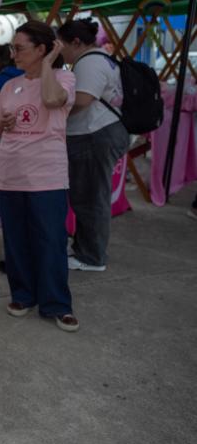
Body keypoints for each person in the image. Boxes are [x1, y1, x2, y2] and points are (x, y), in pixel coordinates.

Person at [0, 21, 79, 332]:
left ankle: (57, 303)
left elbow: (53, 101)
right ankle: (23, 295)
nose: (14, 54)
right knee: (16, 241)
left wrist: (52, 62)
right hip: (10, 175)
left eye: (20, 48)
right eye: (13, 48)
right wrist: (3, 125)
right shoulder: (8, 86)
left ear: (42, 49)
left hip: (47, 177)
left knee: (51, 241)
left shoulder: (63, 78)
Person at [57, 18, 130, 272]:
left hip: (94, 134)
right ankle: (85, 248)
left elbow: (84, 99)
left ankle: (91, 256)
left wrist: (54, 105)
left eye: (62, 44)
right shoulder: (101, 58)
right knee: (88, 196)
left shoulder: (90, 62)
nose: (60, 50)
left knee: (90, 198)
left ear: (76, 42)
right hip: (98, 133)